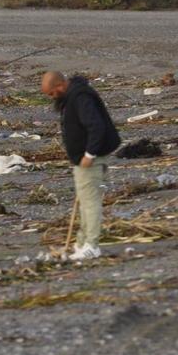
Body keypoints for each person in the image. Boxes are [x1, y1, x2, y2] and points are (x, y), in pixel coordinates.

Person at [40, 71, 121, 261]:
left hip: (91, 160)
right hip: (81, 161)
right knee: (85, 202)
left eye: (52, 93)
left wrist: (89, 154)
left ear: (59, 85)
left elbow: (96, 126)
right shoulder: (72, 96)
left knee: (90, 203)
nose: (52, 98)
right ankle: (81, 243)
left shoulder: (80, 97)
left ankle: (92, 246)